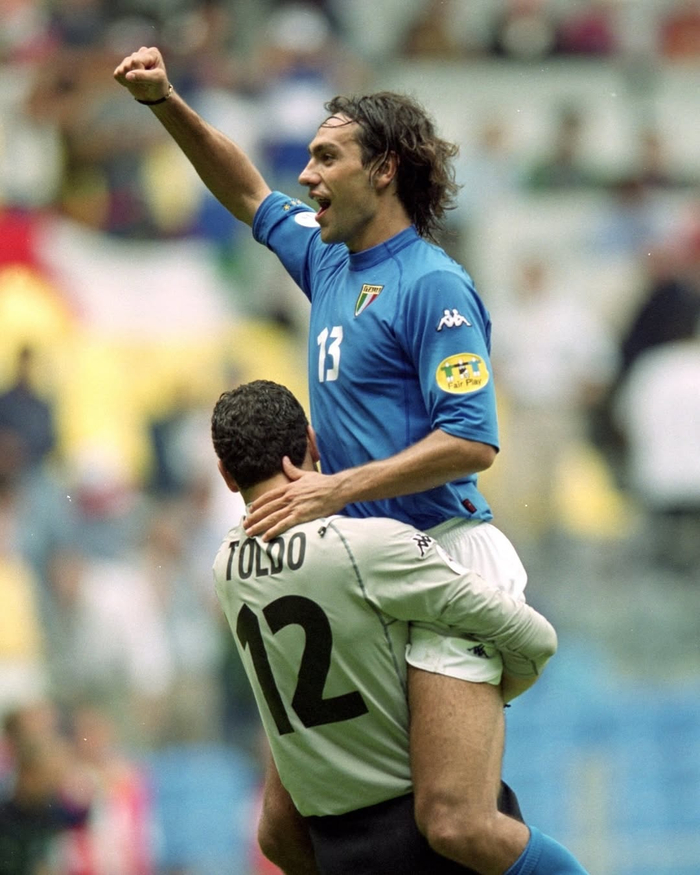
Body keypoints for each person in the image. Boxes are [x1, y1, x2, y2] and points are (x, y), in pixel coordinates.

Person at [114, 46, 549, 871]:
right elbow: (247, 191)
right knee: (284, 830)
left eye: (326, 157)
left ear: (383, 170)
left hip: (442, 558)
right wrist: (165, 102)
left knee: (455, 822)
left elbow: (473, 441)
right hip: (356, 569)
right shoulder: (325, 258)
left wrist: (336, 488)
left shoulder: (434, 285)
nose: (307, 175)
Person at [211, 378, 589, 874]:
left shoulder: (224, 568)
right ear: (312, 443)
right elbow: (533, 635)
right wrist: (490, 686)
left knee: (275, 833)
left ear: (226, 475)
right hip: (415, 828)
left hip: (336, 845)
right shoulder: (371, 547)